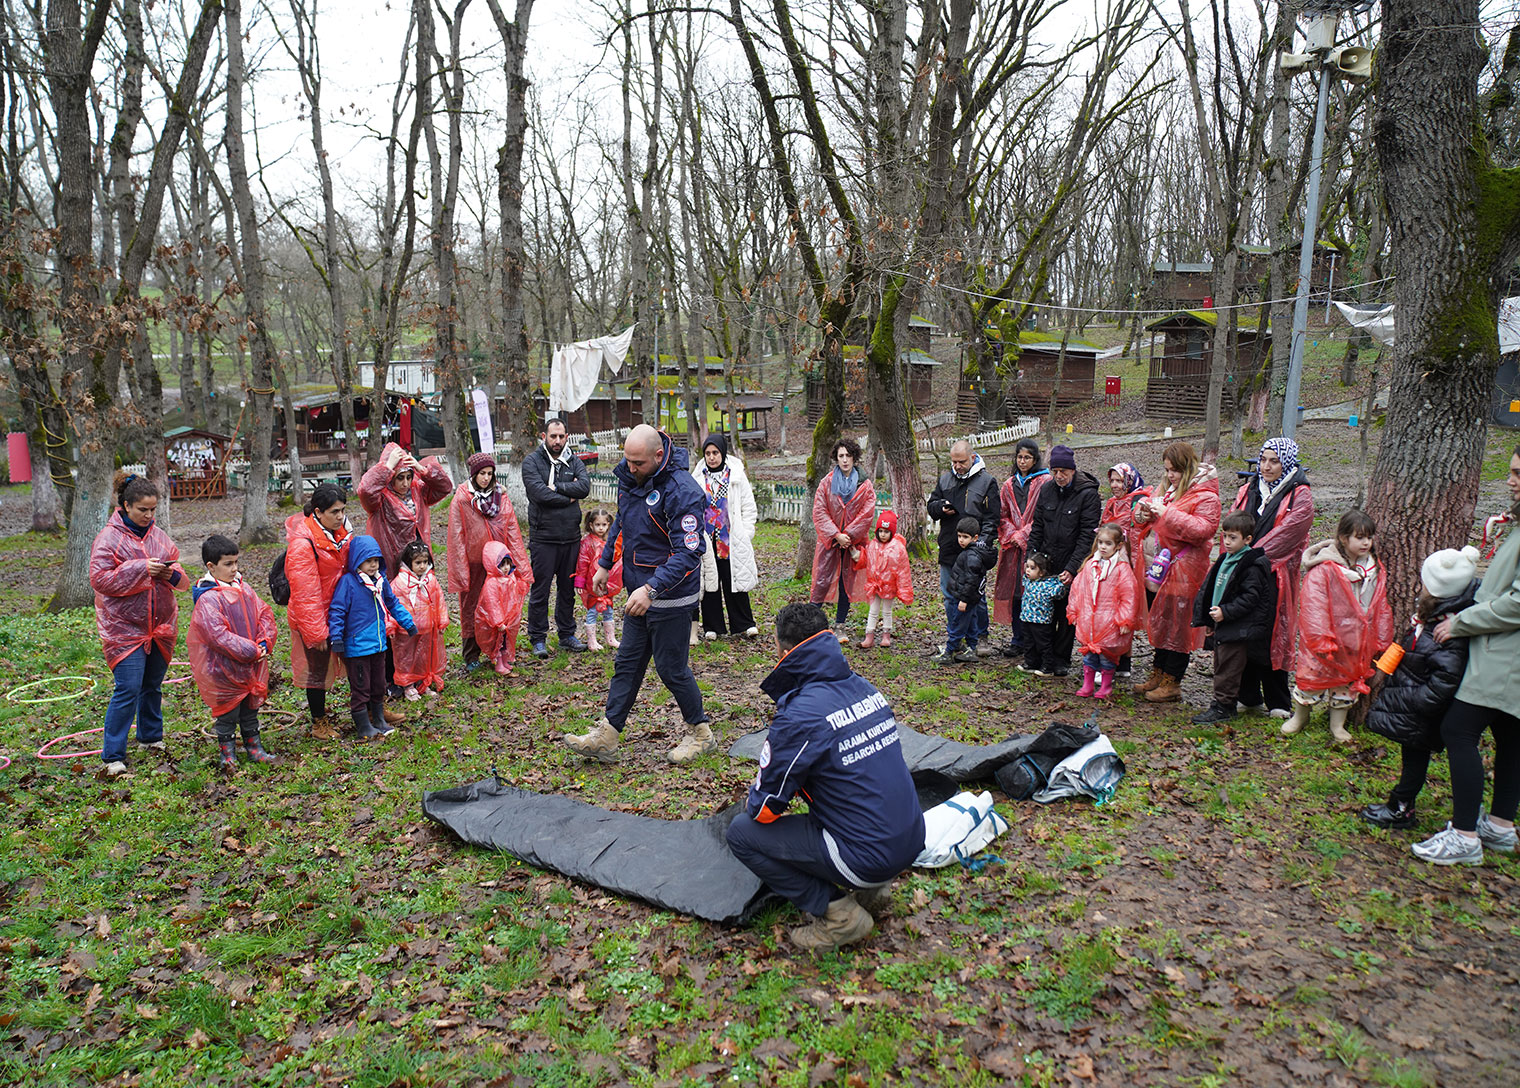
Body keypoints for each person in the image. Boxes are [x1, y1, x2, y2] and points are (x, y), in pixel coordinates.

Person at [725, 602, 926, 952]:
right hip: (910, 838)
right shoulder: (864, 688)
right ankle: (874, 888)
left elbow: (764, 810)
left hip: (869, 854)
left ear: (784, 652)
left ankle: (838, 914)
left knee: (742, 833)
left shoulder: (800, 716)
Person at [561, 426, 712, 764]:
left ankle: (701, 733)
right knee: (627, 664)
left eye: (638, 462)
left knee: (672, 669)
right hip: (637, 594)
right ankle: (608, 736)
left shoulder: (683, 492)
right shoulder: (634, 478)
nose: (630, 469)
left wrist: (652, 588)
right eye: (626, 460)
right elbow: (622, 523)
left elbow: (688, 553)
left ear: (659, 456)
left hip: (670, 596)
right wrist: (604, 563)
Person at [1413, 445, 1520, 865]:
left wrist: (1461, 622)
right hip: (1503, 652)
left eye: (1518, 473)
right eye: (1512, 471)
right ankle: (1499, 827)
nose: (1511, 480)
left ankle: (1464, 836)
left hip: (1503, 656)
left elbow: (1516, 603)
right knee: (1512, 738)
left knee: (1458, 731)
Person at [1360, 546, 1480, 830]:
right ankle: (1402, 804)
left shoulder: (1447, 632)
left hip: (1420, 710)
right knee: (1411, 756)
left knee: (1415, 758)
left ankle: (1401, 807)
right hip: (1413, 703)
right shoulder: (1434, 616)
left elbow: (1445, 678)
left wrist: (1415, 701)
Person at [89, 470, 187, 776]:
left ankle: (150, 738)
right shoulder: (109, 538)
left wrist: (169, 574)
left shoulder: (159, 537)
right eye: (143, 509)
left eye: (152, 509)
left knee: (151, 686)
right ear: (126, 506)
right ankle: (113, 756)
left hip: (159, 626)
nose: (148, 515)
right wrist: (141, 569)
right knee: (128, 688)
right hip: (124, 629)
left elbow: (181, 578)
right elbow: (100, 579)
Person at [1285, 510, 1393, 743]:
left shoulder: (1374, 570)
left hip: (1356, 639)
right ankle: (1300, 716)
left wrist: (1382, 636)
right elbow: (1314, 603)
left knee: (1347, 682)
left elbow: (1379, 603)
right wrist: (1319, 638)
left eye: (1369, 537)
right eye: (1360, 537)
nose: (1366, 543)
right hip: (1327, 638)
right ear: (1344, 539)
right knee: (1311, 677)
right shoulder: (1325, 568)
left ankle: (1338, 725)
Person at [1227, 437, 1314, 718]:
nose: (1266, 466)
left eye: (1273, 461)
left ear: (1286, 462)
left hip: (1277, 573)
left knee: (1273, 631)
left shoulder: (1300, 494)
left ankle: (1278, 700)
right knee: (1245, 630)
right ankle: (1248, 695)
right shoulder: (1249, 489)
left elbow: (1291, 532)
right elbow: (1233, 524)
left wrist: (1252, 557)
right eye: (1263, 460)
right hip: (1246, 571)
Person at [1132, 442, 1221, 701]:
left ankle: (1173, 680)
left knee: (1178, 625)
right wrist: (1142, 512)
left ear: (1188, 468)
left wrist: (1166, 513)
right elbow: (1147, 509)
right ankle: (1158, 672)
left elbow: (1202, 530)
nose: (1170, 475)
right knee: (1160, 619)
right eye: (1168, 470)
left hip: (1183, 571)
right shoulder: (1168, 488)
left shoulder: (1206, 496)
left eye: (1176, 471)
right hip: (1158, 569)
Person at [188, 535, 278, 771]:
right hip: (222, 668)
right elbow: (217, 635)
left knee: (250, 708)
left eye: (236, 562)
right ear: (211, 566)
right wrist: (251, 650)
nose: (234, 568)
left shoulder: (243, 588)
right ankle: (227, 754)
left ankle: (254, 748)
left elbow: (263, 614)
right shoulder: (208, 599)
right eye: (228, 564)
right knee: (227, 712)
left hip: (250, 664)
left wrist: (264, 641)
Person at [284, 483, 359, 737]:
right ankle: (319, 722)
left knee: (358, 660)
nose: (340, 516)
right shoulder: (303, 545)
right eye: (334, 512)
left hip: (342, 612)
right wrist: (316, 633)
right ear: (318, 512)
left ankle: (369, 709)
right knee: (317, 671)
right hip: (315, 617)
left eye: (342, 510)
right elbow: (305, 594)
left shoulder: (341, 533)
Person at [1188, 511, 1277, 724]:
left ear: (1247, 539)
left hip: (1237, 627)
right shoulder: (1225, 560)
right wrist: (1210, 620)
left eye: (1233, 537)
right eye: (1225, 536)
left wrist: (1225, 612)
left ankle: (1224, 706)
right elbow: (1213, 590)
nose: (1227, 542)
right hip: (1222, 624)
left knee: (1227, 668)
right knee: (1221, 663)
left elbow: (1250, 598)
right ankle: (1230, 702)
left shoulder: (1250, 565)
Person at [446, 452, 531, 672]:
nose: (485, 478)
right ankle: (471, 654)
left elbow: (511, 529)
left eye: (489, 474)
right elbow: (456, 535)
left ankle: (498, 651)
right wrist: (460, 570)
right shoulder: (463, 499)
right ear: (473, 475)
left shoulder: (501, 498)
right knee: (472, 608)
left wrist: (519, 565)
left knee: (500, 607)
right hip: (474, 564)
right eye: (482, 473)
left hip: (499, 564)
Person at [327, 535, 416, 740]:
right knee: (361, 687)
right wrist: (337, 637)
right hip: (357, 647)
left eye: (376, 560)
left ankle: (378, 719)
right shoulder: (348, 583)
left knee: (378, 684)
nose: (373, 565)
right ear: (358, 561)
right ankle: (363, 726)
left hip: (378, 644)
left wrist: (407, 622)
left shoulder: (381, 582)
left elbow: (392, 603)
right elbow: (337, 610)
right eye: (368, 561)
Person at [1027, 444, 1100, 677]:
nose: (1059, 476)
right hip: (1046, 561)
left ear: (1072, 470)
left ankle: (1061, 659)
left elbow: (1087, 535)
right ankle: (1042, 655)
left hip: (1071, 561)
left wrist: (1073, 568)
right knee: (1044, 610)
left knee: (1066, 614)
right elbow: (1037, 525)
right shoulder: (1047, 490)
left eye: (1063, 472)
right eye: (1055, 471)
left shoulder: (1087, 494)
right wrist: (1032, 556)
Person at [521, 417, 592, 657]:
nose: (558, 441)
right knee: (540, 590)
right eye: (553, 436)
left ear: (567, 437)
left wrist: (557, 488)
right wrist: (569, 496)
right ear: (544, 437)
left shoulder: (573, 460)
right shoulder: (532, 462)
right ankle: (538, 637)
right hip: (544, 538)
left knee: (567, 590)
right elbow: (538, 494)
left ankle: (566, 634)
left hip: (571, 537)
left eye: (562, 436)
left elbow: (584, 487)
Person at [928, 440, 1001, 656]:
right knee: (950, 595)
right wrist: (940, 508)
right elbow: (931, 506)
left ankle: (980, 638)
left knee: (974, 595)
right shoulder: (945, 479)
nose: (957, 465)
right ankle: (956, 637)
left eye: (961, 461)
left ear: (972, 457)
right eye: (954, 461)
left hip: (974, 551)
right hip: (949, 547)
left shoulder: (987, 482)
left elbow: (992, 518)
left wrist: (981, 544)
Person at [692, 433, 760, 641]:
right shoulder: (697, 477)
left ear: (723, 452)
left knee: (735, 579)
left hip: (730, 537)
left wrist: (746, 533)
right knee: (711, 581)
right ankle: (713, 626)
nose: (712, 457)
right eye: (708, 453)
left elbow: (748, 506)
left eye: (715, 453)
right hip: (708, 537)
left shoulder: (736, 475)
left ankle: (744, 623)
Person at [357, 441, 455, 577]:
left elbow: (444, 487)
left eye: (409, 477)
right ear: (391, 477)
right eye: (400, 478)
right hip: (392, 557)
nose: (405, 483)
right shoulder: (380, 497)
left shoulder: (418, 489)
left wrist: (422, 469)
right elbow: (365, 490)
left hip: (419, 557)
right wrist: (387, 467)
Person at [810, 437, 876, 636]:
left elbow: (867, 513)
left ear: (854, 457)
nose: (845, 460)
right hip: (829, 542)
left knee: (845, 583)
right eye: (841, 456)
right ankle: (811, 625)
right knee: (821, 580)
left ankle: (840, 625)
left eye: (848, 455)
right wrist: (835, 534)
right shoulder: (826, 483)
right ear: (836, 458)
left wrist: (849, 535)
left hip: (852, 544)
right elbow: (820, 511)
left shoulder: (864, 485)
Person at [1068, 524, 1140, 700]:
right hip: (1089, 621)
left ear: (1118, 546)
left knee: (1107, 657)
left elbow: (1129, 595)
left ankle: (1106, 685)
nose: (1102, 547)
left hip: (1109, 622)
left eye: (1108, 543)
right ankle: (1088, 683)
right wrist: (1074, 612)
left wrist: (1125, 620)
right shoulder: (1090, 565)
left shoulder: (1122, 569)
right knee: (1089, 656)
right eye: (1100, 542)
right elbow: (1078, 589)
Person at [994, 440, 1049, 657]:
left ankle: (1033, 641)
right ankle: (1017, 638)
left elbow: (1043, 515)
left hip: (1035, 546)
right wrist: (1011, 535)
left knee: (1034, 593)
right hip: (1012, 549)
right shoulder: (1009, 485)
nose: (1022, 461)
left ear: (1035, 459)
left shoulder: (1044, 482)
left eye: (1027, 457)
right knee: (1016, 592)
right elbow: (1002, 514)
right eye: (1019, 457)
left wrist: (1024, 534)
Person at [1102, 462, 1151, 676]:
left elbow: (1140, 530)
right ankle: (1108, 656)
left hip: (1131, 563)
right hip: (1110, 560)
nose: (1115, 485)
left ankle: (1125, 660)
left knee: (1126, 610)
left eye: (1119, 480)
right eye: (1112, 480)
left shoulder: (1139, 501)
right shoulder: (1111, 503)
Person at [390, 540, 448, 699]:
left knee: (424, 657)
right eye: (418, 562)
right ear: (409, 563)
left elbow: (439, 601)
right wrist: (391, 626)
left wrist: (442, 620)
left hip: (427, 627)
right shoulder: (399, 584)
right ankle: (408, 684)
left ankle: (423, 682)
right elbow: (391, 606)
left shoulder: (431, 581)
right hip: (405, 631)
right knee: (406, 657)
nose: (422, 566)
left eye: (425, 562)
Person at [935, 517, 996, 665]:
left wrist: (964, 600)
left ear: (975, 537)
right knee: (970, 622)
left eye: (965, 537)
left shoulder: (972, 556)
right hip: (966, 596)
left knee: (958, 624)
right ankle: (971, 648)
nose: (961, 540)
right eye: (959, 536)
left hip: (965, 598)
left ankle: (949, 651)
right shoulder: (970, 552)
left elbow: (971, 581)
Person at [476, 541, 531, 675]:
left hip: (509, 619)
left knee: (506, 641)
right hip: (499, 621)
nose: (506, 568)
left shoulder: (510, 578)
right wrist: (498, 621)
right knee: (498, 642)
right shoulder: (492, 583)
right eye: (502, 564)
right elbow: (492, 604)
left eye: (508, 563)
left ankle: (505, 660)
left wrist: (523, 584)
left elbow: (516, 592)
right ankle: (498, 662)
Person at [860, 510, 913, 649]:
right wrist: (856, 555)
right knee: (873, 609)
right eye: (881, 531)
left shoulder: (898, 548)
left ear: (892, 532)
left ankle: (886, 635)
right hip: (875, 584)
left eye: (887, 532)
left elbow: (903, 570)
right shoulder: (872, 545)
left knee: (887, 610)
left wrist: (903, 589)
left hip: (889, 585)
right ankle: (869, 635)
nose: (883, 534)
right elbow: (866, 560)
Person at [575, 508, 622, 651]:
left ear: (609, 525)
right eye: (597, 525)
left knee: (608, 610)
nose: (601, 528)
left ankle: (610, 638)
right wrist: (580, 582)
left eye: (604, 525)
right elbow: (582, 563)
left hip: (608, 584)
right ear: (591, 525)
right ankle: (592, 641)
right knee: (593, 611)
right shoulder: (587, 543)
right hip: (592, 585)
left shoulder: (611, 542)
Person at [1017, 552, 1063, 677]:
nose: (1028, 571)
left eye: (1032, 568)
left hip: (1041, 621)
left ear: (1042, 572)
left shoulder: (1049, 585)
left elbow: (1059, 592)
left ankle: (1047, 666)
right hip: (1027, 617)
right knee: (1029, 642)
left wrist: (1062, 583)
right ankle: (1031, 663)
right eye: (1027, 567)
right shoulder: (1028, 581)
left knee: (1043, 644)